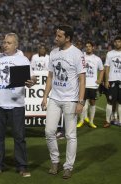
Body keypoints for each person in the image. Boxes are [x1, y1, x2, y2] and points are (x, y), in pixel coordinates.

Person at [0, 33, 37, 177]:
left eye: (9, 43)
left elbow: (31, 78)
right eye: (4, 42)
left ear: (16, 45)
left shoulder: (23, 60)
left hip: (17, 104)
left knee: (19, 137)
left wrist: (32, 82)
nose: (5, 45)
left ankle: (22, 166)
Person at [41, 25, 86, 179]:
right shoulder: (53, 53)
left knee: (70, 135)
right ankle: (55, 161)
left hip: (71, 100)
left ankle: (68, 166)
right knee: (49, 131)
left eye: (59, 36)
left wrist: (80, 101)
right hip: (55, 98)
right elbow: (50, 76)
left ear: (67, 38)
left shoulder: (77, 54)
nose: (56, 38)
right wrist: (45, 96)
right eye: (56, 35)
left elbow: (82, 79)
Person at [77, 41, 104, 128]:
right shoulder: (81, 57)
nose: (88, 48)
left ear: (93, 48)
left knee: (92, 103)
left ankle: (91, 121)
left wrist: (100, 79)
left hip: (93, 85)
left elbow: (102, 69)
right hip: (83, 84)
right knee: (82, 103)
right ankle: (81, 120)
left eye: (89, 46)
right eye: (86, 46)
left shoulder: (97, 59)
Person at [103, 35, 121, 127]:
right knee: (110, 101)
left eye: (119, 41)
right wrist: (106, 81)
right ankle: (107, 121)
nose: (117, 43)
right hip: (112, 80)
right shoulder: (110, 53)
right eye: (116, 41)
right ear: (114, 43)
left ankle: (120, 120)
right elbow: (107, 67)